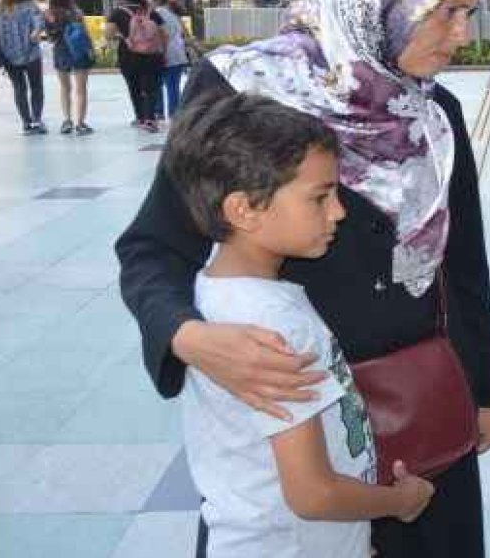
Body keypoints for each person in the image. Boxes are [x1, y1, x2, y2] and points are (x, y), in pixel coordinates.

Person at [115, 0, 490, 558]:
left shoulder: (435, 116)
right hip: (294, 408)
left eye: (470, 12)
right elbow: (153, 246)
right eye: (446, 13)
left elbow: (464, 269)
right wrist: (190, 338)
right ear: (380, 3)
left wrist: (484, 392)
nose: (463, 34)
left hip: (419, 410)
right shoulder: (240, 88)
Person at [163, 92, 435, 557]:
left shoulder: (218, 289)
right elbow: (312, 493)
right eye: (320, 197)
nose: (339, 212)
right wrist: (400, 501)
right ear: (243, 210)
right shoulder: (273, 326)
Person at [105, 0, 167, 132]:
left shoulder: (117, 13)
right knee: (151, 88)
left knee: (134, 88)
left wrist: (122, 35)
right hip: (152, 56)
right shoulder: (151, 13)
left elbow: (108, 35)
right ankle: (150, 119)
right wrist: (163, 51)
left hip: (128, 56)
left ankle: (140, 118)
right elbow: (164, 34)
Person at [0, 0, 47, 135]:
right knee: (36, 87)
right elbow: (39, 22)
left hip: (9, 56)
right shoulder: (30, 7)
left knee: (19, 88)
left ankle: (26, 123)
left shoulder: (0, 10)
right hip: (31, 54)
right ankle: (37, 120)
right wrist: (35, 32)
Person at [42, 0, 96, 135]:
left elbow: (50, 38)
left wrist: (54, 25)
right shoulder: (77, 13)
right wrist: (91, 49)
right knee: (81, 89)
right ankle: (80, 123)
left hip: (61, 52)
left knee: (65, 88)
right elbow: (85, 34)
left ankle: (67, 120)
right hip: (79, 52)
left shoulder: (47, 14)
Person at [150, 0, 192, 119]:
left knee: (157, 85)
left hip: (162, 53)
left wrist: (161, 53)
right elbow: (185, 34)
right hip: (178, 54)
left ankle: (159, 113)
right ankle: (174, 113)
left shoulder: (156, 13)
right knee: (173, 86)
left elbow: (160, 35)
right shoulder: (173, 14)